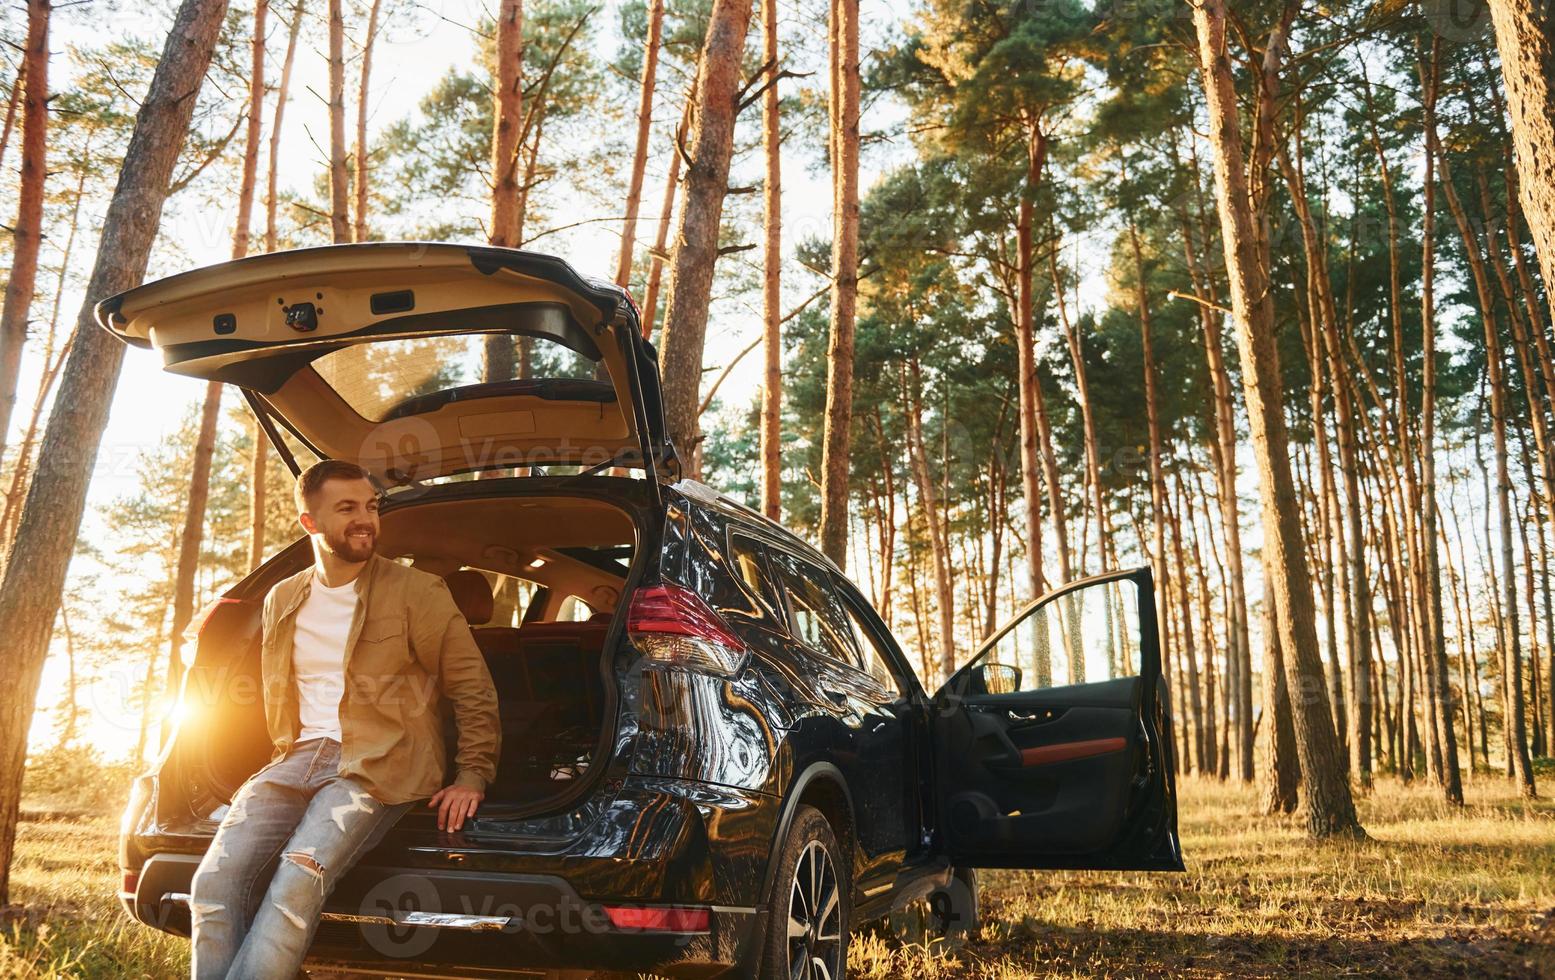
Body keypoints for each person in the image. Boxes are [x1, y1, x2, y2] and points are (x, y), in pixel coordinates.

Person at [188, 459, 500, 979]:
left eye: (372, 507)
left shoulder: (416, 592)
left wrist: (473, 772)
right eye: (348, 508)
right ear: (310, 522)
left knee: (297, 881)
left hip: (378, 764)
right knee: (212, 884)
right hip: (295, 759)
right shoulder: (282, 598)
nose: (366, 520)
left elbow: (471, 686)